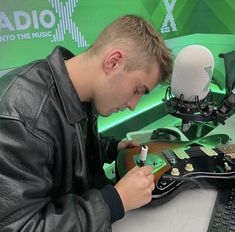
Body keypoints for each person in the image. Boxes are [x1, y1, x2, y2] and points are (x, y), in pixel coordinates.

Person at [0, 15, 172, 231]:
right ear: (114, 62)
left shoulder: (83, 94)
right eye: (138, 89)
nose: (133, 105)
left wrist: (111, 147)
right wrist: (115, 201)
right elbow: (22, 226)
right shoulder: (22, 114)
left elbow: (63, 151)